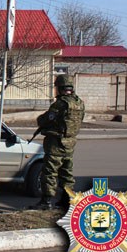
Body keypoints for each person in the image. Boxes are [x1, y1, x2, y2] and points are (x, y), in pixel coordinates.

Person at [32, 75, 85, 210]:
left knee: (50, 171)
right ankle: (67, 201)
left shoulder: (60, 104)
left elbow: (45, 120)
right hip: (70, 142)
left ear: (60, 88)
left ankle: (46, 201)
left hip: (56, 142)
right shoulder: (79, 103)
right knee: (66, 172)